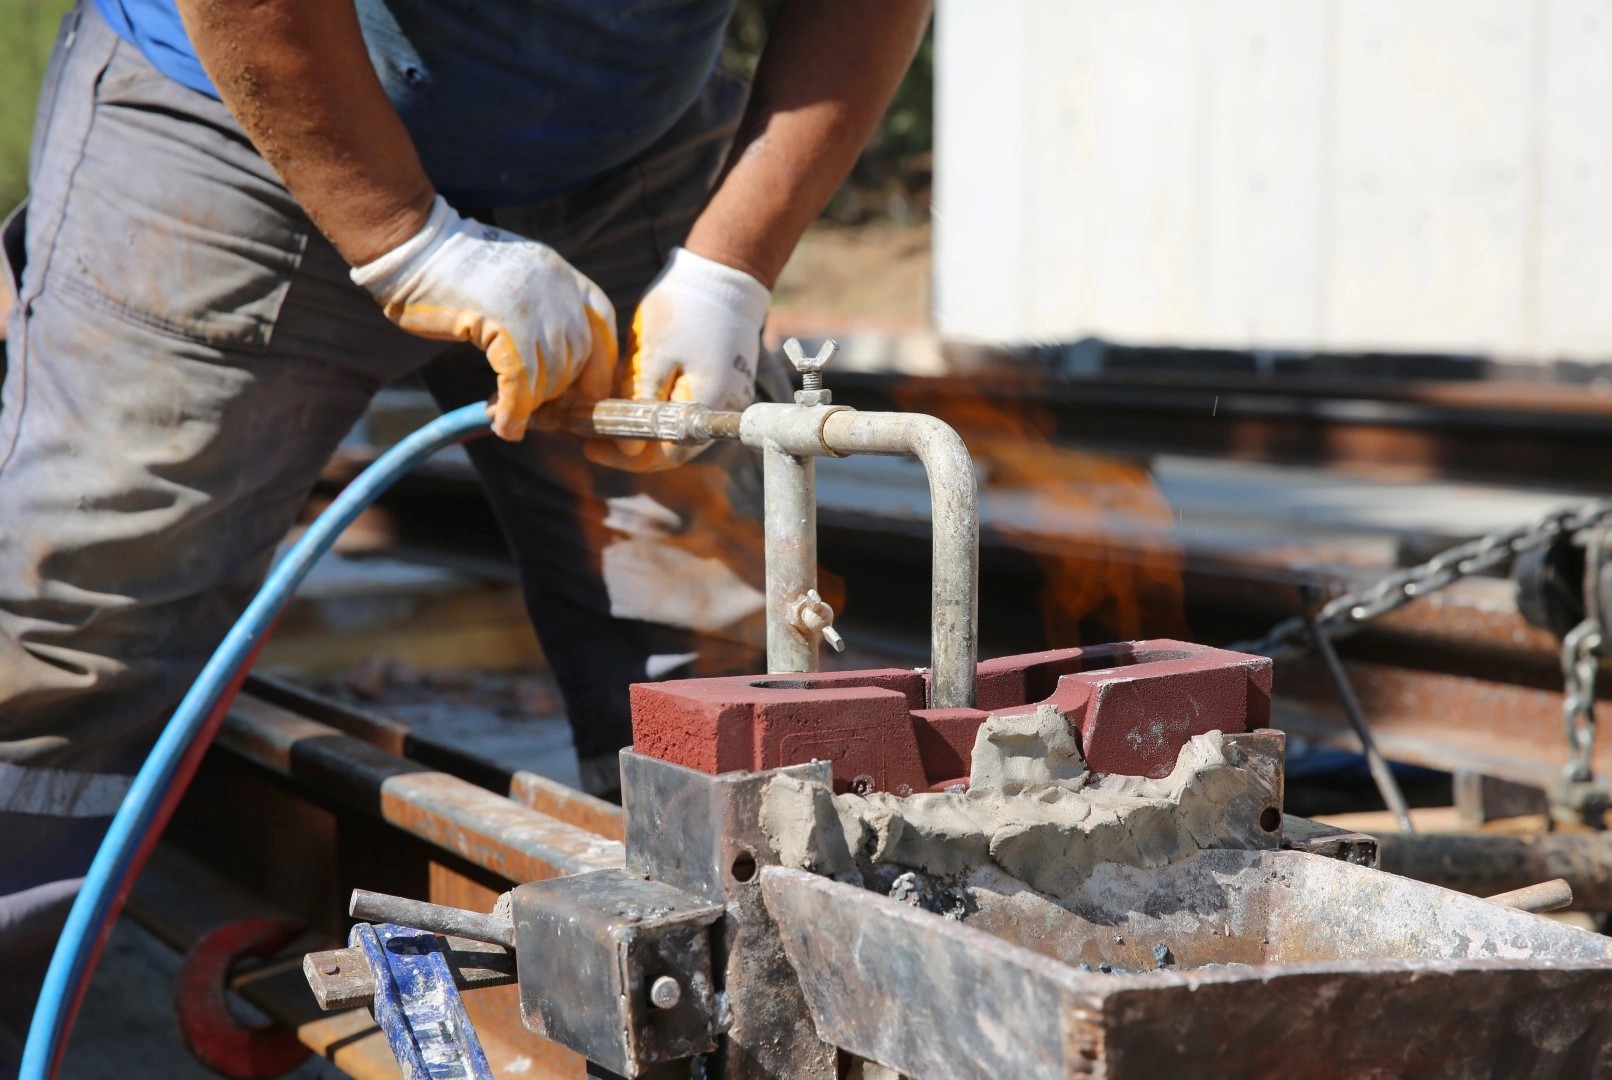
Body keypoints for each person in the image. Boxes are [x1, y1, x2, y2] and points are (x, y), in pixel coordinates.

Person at [0, 0, 931, 1057]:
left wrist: (731, 263)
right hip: (235, 127)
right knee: (69, 644)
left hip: (623, 154)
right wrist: (406, 241)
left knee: (729, 665)